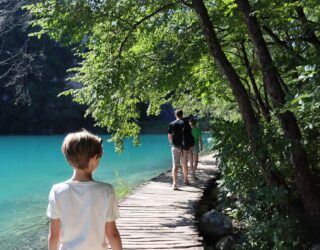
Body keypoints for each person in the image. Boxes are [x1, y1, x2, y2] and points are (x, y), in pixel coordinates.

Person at [46, 129, 123, 250]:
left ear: (69, 159)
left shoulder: (57, 191)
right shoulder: (106, 191)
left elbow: (54, 236)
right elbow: (112, 234)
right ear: (94, 159)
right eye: (99, 157)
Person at [168, 110, 194, 190]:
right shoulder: (186, 123)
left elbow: (169, 136)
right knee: (184, 164)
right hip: (184, 147)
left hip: (175, 146)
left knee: (175, 165)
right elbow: (189, 134)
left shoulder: (172, 124)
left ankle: (174, 184)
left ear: (175, 115)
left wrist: (172, 143)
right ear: (182, 115)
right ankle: (186, 180)